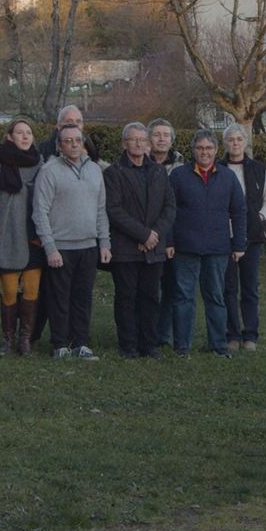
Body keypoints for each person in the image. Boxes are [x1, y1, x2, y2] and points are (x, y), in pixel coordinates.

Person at [32, 124, 112, 361]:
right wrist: (50, 247)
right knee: (59, 298)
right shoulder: (49, 171)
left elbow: (101, 209)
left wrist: (104, 242)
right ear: (59, 145)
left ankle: (81, 343)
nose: (74, 144)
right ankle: (60, 344)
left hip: (88, 245)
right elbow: (40, 212)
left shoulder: (95, 170)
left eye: (77, 140)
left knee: (82, 297)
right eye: (68, 141)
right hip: (61, 247)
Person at [168, 130, 247, 358]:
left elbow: (239, 212)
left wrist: (239, 244)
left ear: (216, 150)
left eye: (209, 148)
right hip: (185, 247)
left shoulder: (228, 177)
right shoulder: (179, 176)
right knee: (184, 297)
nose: (205, 152)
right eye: (200, 148)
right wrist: (169, 241)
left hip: (217, 248)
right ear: (193, 150)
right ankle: (182, 346)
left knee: (216, 296)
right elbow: (169, 212)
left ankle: (218, 345)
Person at [104, 123, 176, 358]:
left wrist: (154, 235)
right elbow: (114, 210)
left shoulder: (158, 171)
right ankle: (129, 344)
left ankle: (149, 343)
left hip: (154, 248)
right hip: (126, 248)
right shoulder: (113, 173)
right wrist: (142, 234)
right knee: (126, 297)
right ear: (124, 143)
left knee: (150, 297)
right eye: (133, 140)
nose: (138, 144)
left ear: (148, 143)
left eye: (142, 140)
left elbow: (169, 207)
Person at [220, 123, 266, 352]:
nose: (235, 143)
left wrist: (259, 216)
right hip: (224, 237)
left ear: (245, 142)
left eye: (239, 139)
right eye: (231, 140)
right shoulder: (217, 168)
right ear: (225, 143)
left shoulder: (258, 169)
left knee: (250, 288)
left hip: (252, 237)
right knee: (228, 288)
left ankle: (251, 335)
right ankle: (232, 334)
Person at [0, 118, 44, 355]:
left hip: (34, 235)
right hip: (9, 234)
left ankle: (26, 339)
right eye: (19, 133)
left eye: (28, 133)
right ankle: (8, 339)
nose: (25, 136)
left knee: (32, 289)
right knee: (10, 289)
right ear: (9, 137)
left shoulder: (41, 164)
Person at [148, 118, 186, 348]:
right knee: (149, 289)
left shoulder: (182, 168)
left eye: (166, 135)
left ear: (172, 140)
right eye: (157, 134)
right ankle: (145, 329)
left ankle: (163, 333)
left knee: (171, 287)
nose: (161, 139)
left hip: (173, 236)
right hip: (145, 236)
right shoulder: (138, 162)